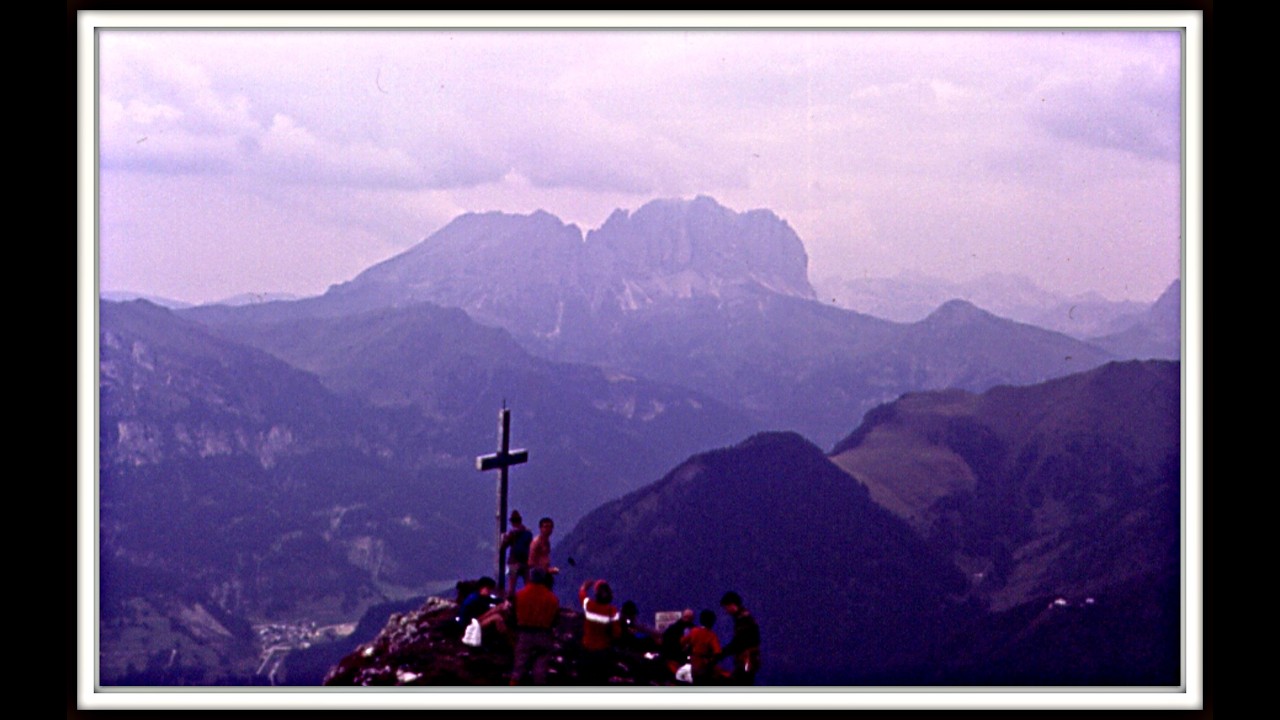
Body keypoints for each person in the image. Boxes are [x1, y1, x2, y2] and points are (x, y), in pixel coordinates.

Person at [510, 567, 559, 685]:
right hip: (544, 636)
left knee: (518, 669)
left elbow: (513, 616)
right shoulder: (552, 598)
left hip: (524, 635)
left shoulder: (520, 595)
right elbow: (555, 620)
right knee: (540, 672)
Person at [577, 579, 620, 683]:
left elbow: (582, 595)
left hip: (587, 650)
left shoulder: (589, 606)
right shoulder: (612, 612)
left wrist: (584, 586)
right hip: (602, 653)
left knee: (585, 679)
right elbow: (617, 633)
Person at [717, 591, 761, 685]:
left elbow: (740, 642)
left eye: (726, 607)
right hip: (749, 659)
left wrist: (721, 653)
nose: (726, 611)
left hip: (746, 659)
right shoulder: (744, 617)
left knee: (741, 683)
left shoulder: (743, 619)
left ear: (732, 605)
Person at [682, 609, 724, 684]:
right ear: (712, 622)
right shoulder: (711, 635)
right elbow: (717, 652)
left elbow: (682, 641)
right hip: (704, 665)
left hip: (694, 663)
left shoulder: (694, 631)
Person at [500, 511, 533, 597]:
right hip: (525, 562)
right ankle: (529, 600)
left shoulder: (512, 533)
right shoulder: (527, 532)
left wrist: (505, 538)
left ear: (512, 522)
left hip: (514, 561)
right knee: (528, 584)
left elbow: (503, 547)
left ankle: (510, 603)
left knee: (512, 586)